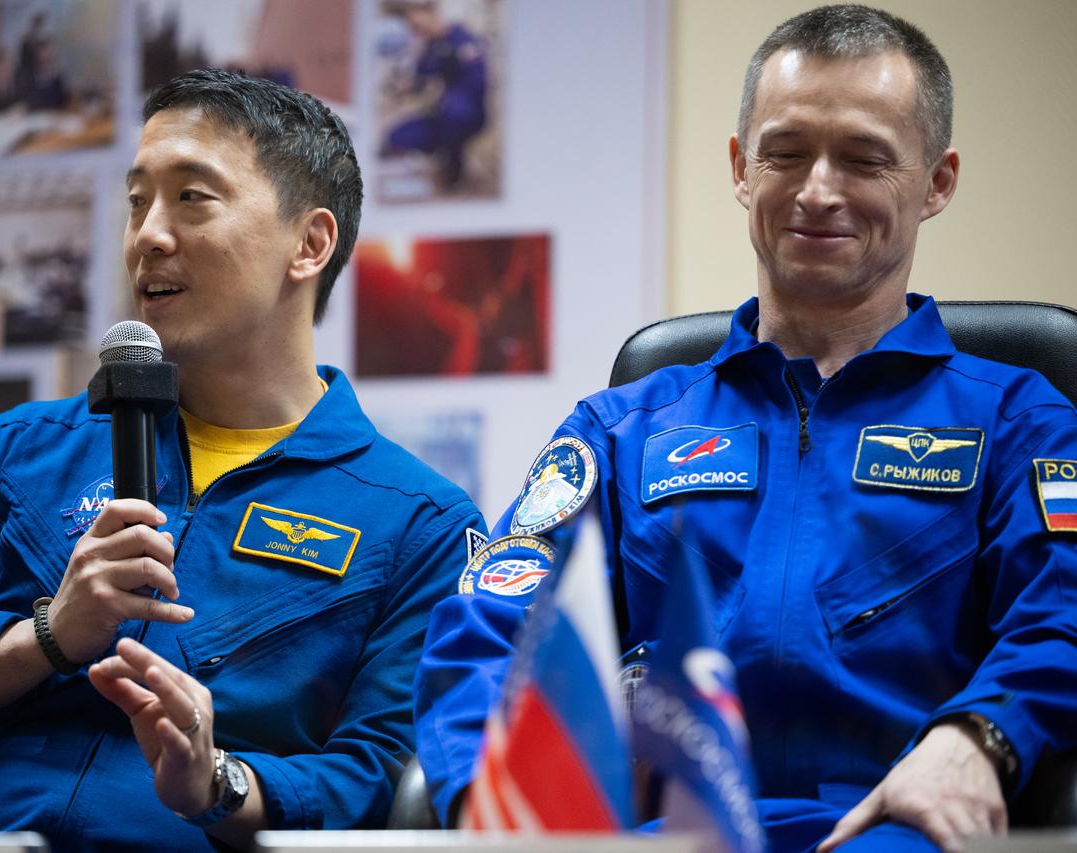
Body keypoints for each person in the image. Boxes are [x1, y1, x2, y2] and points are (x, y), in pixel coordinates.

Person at [414, 6, 1077, 853]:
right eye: (786, 152)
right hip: (672, 834)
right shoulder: (620, 432)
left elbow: (1062, 615)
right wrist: (493, 795)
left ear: (937, 182)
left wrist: (980, 735)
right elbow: (491, 626)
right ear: (740, 166)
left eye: (865, 158)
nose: (817, 190)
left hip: (893, 823)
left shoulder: (1021, 423)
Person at [0, 69, 484, 851]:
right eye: (137, 201)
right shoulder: (14, 451)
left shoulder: (420, 523)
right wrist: (43, 638)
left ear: (310, 243)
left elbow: (391, 788)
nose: (148, 235)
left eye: (192, 197)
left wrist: (220, 781)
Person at [381, 0, 488, 190]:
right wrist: (403, 87)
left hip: (467, 113)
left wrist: (443, 97)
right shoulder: (431, 47)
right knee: (396, 137)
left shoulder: (462, 39)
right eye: (412, 28)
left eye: (417, 25)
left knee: (454, 113)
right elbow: (419, 80)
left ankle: (454, 171)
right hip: (440, 116)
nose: (416, 31)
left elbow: (478, 84)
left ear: (430, 13)